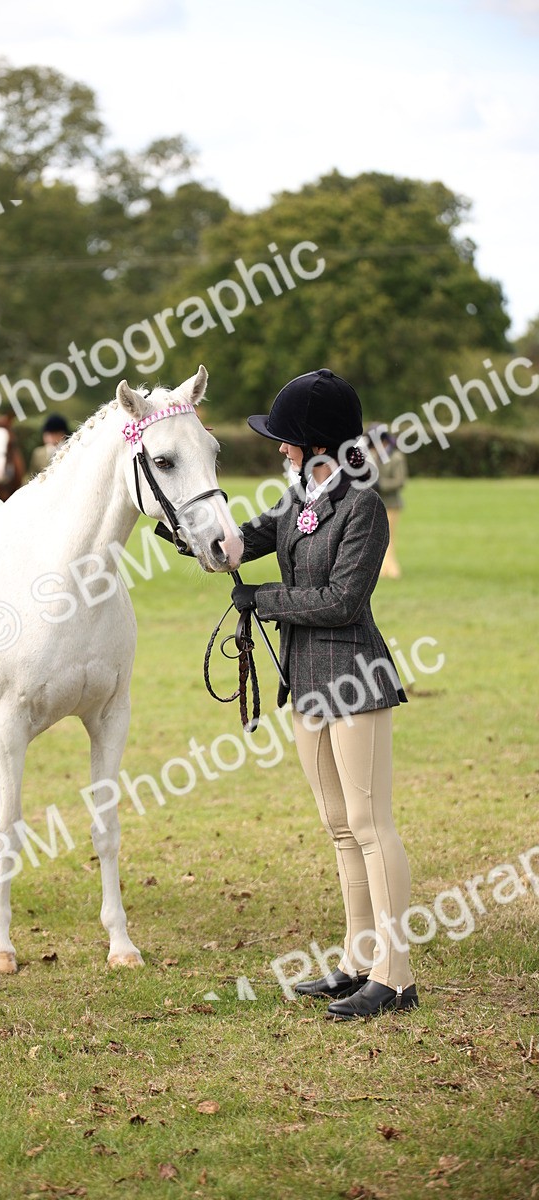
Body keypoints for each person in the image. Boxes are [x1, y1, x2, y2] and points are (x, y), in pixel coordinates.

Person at [233, 368, 418, 1020]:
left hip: (354, 677)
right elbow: (249, 538)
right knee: (339, 828)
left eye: (286, 439)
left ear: (315, 443)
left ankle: (395, 976)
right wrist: (206, 539)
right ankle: (357, 960)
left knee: (370, 826)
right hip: (305, 680)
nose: (278, 447)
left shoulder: (362, 506)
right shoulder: (298, 498)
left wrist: (264, 599)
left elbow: (342, 600)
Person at [365, 423, 408, 580]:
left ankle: (392, 570)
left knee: (388, 539)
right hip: (375, 505)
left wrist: (380, 484)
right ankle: (382, 569)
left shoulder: (396, 458)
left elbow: (400, 481)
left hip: (391, 505)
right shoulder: (372, 456)